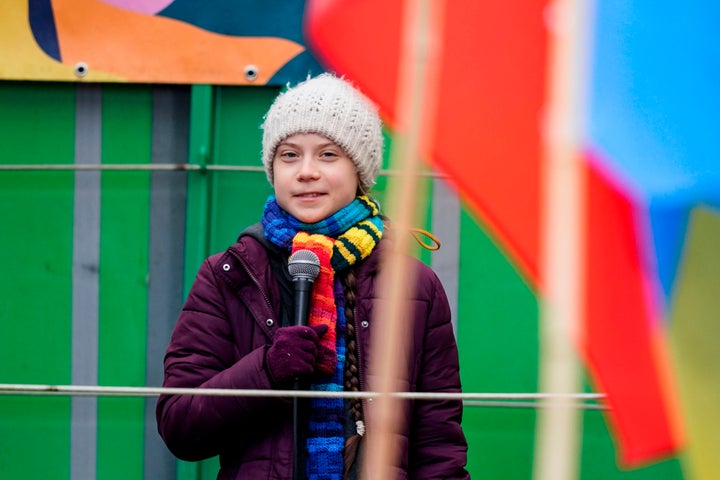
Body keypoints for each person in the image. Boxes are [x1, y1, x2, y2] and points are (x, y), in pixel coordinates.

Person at [156, 73, 469, 479]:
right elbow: (181, 428)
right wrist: (267, 370)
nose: (306, 172)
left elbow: (438, 444)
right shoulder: (230, 275)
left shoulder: (414, 287)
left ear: (360, 171)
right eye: (289, 155)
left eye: (327, 155)